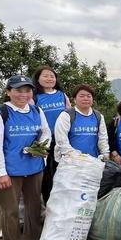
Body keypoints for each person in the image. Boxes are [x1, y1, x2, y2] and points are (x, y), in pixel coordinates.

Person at [0, 75, 51, 240]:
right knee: (10, 209)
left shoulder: (36, 110)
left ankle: (32, 236)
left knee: (34, 204)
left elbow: (45, 132)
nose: (23, 94)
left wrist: (40, 148)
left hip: (34, 167)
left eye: (27, 90)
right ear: (8, 92)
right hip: (10, 171)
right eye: (18, 90)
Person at [32, 66, 71, 202]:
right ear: (38, 79)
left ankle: (61, 202)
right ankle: (47, 202)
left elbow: (70, 116)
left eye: (52, 76)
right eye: (45, 76)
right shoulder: (34, 96)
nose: (49, 78)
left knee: (61, 171)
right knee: (45, 174)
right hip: (43, 142)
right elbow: (31, 117)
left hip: (61, 140)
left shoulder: (62, 95)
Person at [54, 84, 109, 161]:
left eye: (89, 96)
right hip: (71, 161)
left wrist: (105, 154)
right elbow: (61, 140)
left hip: (94, 160)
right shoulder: (66, 115)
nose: (85, 98)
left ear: (92, 99)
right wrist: (76, 156)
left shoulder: (98, 116)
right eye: (81, 96)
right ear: (74, 99)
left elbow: (103, 138)